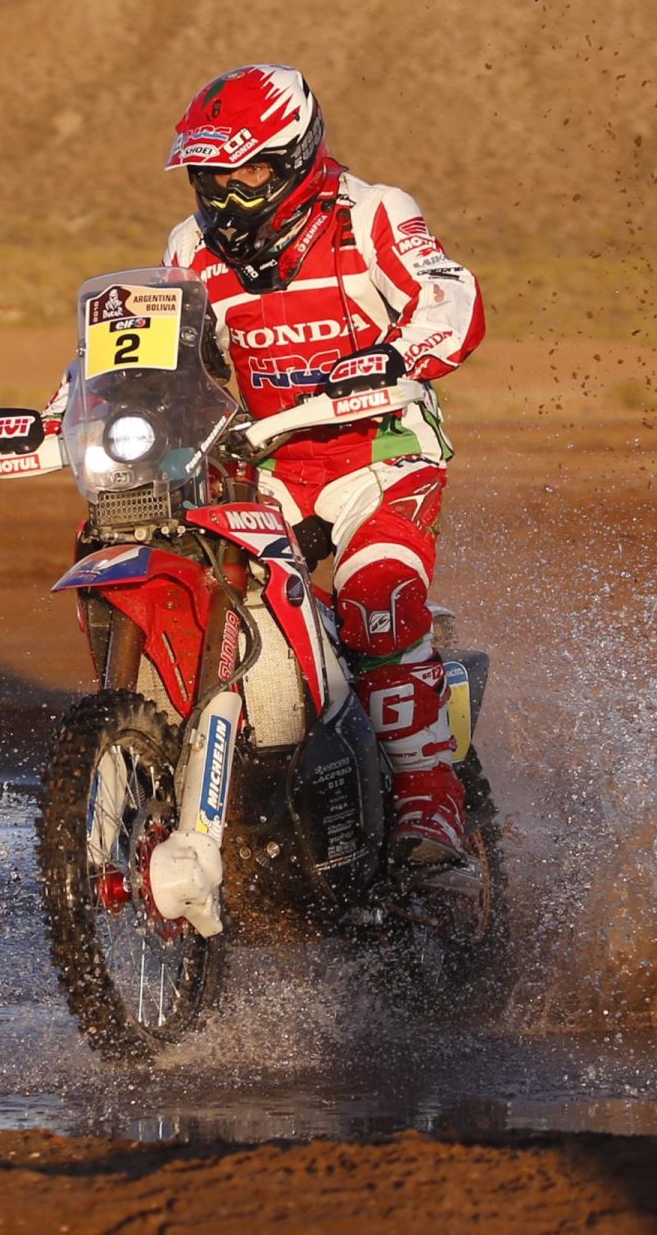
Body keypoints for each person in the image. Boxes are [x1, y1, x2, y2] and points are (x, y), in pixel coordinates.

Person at [163, 64, 485, 863]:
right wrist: (67, 410)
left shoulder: (371, 213)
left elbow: (453, 295)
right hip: (271, 468)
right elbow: (156, 356)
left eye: (249, 173)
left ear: (297, 155)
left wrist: (394, 353)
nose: (229, 196)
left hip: (382, 451)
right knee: (205, 595)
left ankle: (431, 812)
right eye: (213, 177)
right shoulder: (190, 249)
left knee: (376, 595)